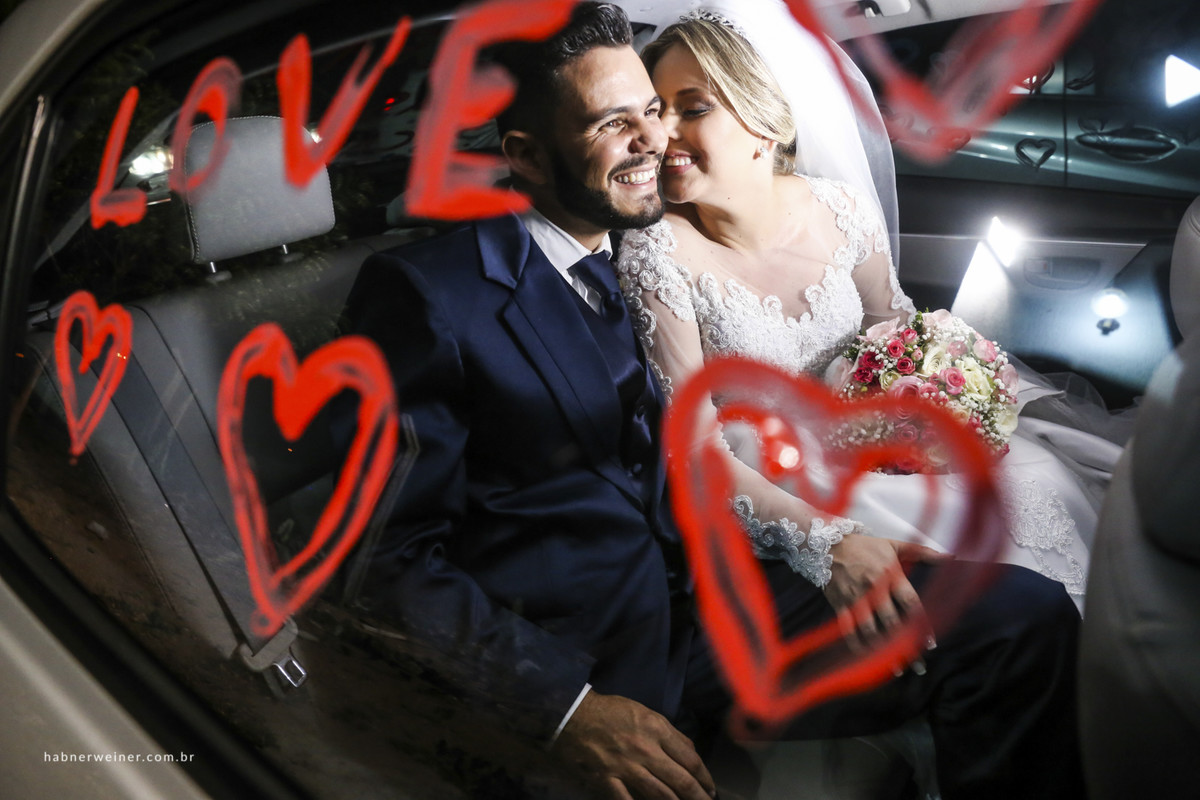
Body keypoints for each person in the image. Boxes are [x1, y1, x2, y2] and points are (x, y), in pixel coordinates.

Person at [339, 3, 1086, 798]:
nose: (655, 140)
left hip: (727, 593)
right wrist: (563, 710)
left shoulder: (630, 255)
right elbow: (381, 562)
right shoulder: (431, 294)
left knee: (1024, 617)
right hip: (601, 652)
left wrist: (832, 542)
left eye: (653, 111)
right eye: (613, 123)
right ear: (524, 154)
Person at [615, 3, 1122, 611]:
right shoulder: (656, 253)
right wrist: (825, 539)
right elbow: (692, 449)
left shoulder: (841, 210)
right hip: (783, 479)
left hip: (884, 443)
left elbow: (894, 328)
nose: (661, 134)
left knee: (1038, 488)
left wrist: (931, 398)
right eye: (656, 111)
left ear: (763, 123)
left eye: (692, 109)